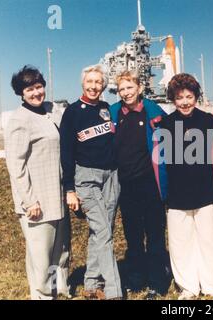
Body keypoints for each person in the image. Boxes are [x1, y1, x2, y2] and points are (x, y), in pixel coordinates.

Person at [5, 65, 70, 300]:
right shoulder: (20, 120)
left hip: (57, 195)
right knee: (40, 255)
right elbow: (15, 165)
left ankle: (57, 290)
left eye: (39, 87)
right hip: (37, 201)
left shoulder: (51, 110)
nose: (36, 92)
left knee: (58, 252)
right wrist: (29, 200)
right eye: (30, 89)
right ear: (21, 93)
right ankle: (42, 295)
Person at [160, 73, 213, 300]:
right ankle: (187, 286)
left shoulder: (209, 121)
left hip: (206, 191)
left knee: (209, 240)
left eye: (189, 96)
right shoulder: (166, 124)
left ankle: (212, 285)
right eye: (180, 97)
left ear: (196, 96)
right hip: (177, 194)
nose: (185, 102)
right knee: (180, 242)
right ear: (173, 99)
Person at [60, 64, 122, 300]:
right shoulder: (72, 111)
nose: (94, 86)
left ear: (103, 85)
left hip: (111, 176)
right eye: (90, 82)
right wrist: (69, 189)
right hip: (86, 177)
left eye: (98, 82)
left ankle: (91, 283)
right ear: (83, 83)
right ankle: (115, 291)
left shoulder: (106, 108)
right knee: (104, 231)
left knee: (102, 230)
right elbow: (66, 152)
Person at [109, 70, 170, 299]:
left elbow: (171, 143)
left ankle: (157, 281)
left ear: (139, 88)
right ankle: (136, 276)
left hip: (150, 184)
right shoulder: (114, 113)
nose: (126, 93)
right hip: (126, 185)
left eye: (130, 87)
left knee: (154, 234)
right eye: (122, 89)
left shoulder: (154, 111)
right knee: (132, 234)